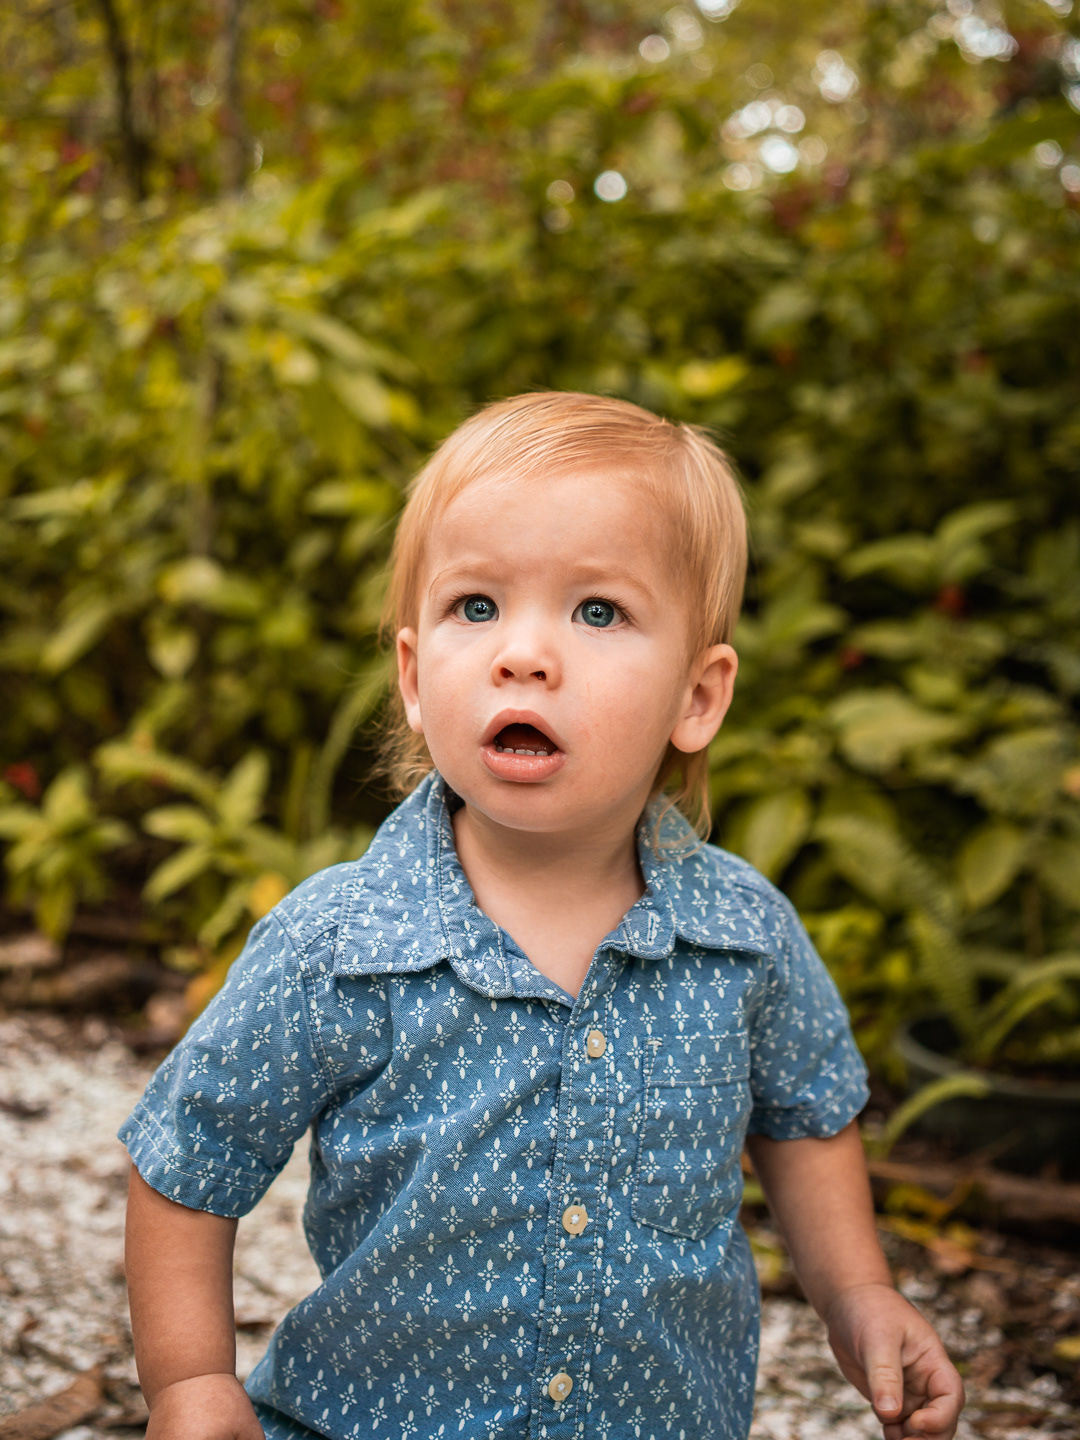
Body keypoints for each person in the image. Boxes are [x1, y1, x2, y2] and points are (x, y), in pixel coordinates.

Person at [121, 392, 964, 1440]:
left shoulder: (742, 936)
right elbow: (189, 1159)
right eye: (476, 607)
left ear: (697, 699)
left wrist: (857, 1292)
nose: (524, 654)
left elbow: (804, 1119)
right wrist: (191, 1384)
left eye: (597, 612)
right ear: (415, 676)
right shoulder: (337, 945)